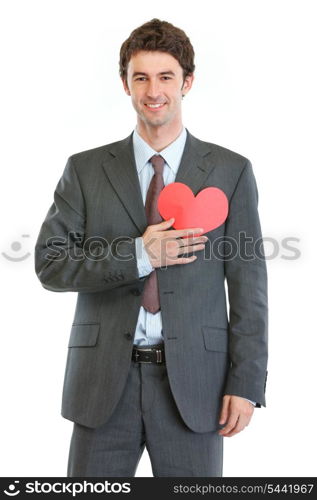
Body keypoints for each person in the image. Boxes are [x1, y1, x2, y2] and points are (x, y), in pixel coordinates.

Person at [34, 18, 268, 477]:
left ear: (188, 82)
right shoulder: (84, 170)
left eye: (165, 77)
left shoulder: (230, 171)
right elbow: (50, 264)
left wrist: (246, 382)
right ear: (125, 84)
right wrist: (140, 255)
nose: (153, 90)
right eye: (140, 77)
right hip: (102, 386)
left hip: (196, 388)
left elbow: (249, 288)